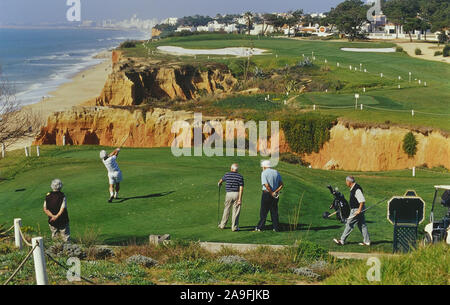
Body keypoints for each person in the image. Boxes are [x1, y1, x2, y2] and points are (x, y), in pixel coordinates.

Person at [334, 176, 371, 246]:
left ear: (349, 182)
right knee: (362, 225)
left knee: (349, 224)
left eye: (346, 181)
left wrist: (359, 210)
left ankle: (342, 240)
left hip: (357, 210)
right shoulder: (354, 188)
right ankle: (367, 241)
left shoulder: (356, 189)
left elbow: (362, 200)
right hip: (357, 209)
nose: (346, 183)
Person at [255, 160, 284, 232]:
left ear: (264, 166)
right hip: (275, 194)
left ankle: (260, 227)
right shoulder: (276, 172)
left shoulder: (264, 173)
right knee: (274, 211)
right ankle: (276, 228)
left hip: (267, 194)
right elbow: (281, 184)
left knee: (264, 211)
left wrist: (271, 192)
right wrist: (275, 192)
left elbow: (266, 185)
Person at [217, 163, 244, 232]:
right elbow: (241, 188)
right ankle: (234, 227)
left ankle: (222, 225)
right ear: (237, 170)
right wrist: (240, 199)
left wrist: (220, 184)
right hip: (236, 194)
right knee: (236, 210)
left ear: (231, 169)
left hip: (228, 194)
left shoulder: (227, 174)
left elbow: (220, 181)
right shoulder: (240, 176)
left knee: (226, 209)